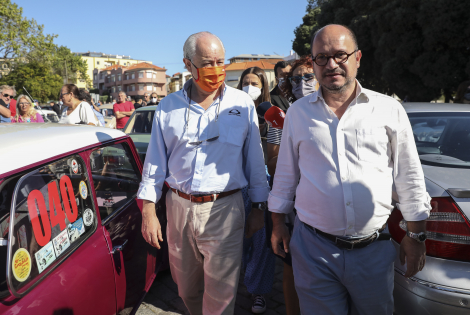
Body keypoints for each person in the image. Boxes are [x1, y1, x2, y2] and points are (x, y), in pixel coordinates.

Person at [269, 24, 431, 315]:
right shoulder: (298, 113)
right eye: (322, 57)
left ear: (357, 58)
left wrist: (416, 235)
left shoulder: (388, 109)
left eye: (340, 55)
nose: (331, 64)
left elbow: (408, 175)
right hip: (312, 249)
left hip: (374, 250)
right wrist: (278, 222)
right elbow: (285, 175)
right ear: (314, 63)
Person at [138, 31, 269, 315]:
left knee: (222, 294)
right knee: (185, 286)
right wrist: (148, 211)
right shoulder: (168, 106)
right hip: (179, 208)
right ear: (188, 64)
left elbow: (255, 160)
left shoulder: (242, 104)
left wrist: (259, 207)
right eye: (207, 62)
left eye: (220, 61)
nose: (216, 69)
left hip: (226, 207)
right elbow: (155, 164)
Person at [266, 55, 318, 315]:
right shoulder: (281, 116)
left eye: (308, 77)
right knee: (291, 265)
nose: (302, 83)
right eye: (296, 79)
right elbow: (273, 164)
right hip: (294, 207)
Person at [237, 67, 275, 313]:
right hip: (235, 185)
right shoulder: (231, 112)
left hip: (265, 184)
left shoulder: (272, 116)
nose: (250, 87)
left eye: (255, 83)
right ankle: (231, 284)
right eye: (246, 82)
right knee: (235, 240)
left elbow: (273, 156)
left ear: (263, 88)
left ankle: (258, 291)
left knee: (262, 240)